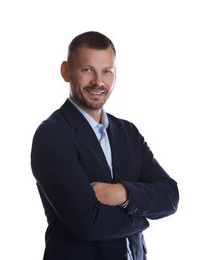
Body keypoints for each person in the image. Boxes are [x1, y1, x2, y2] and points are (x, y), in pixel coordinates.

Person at [30, 31, 179, 260]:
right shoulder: (51, 136)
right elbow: (88, 224)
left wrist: (123, 193)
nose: (98, 82)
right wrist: (142, 218)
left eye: (106, 71)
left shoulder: (127, 132)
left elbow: (169, 196)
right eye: (87, 69)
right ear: (66, 71)